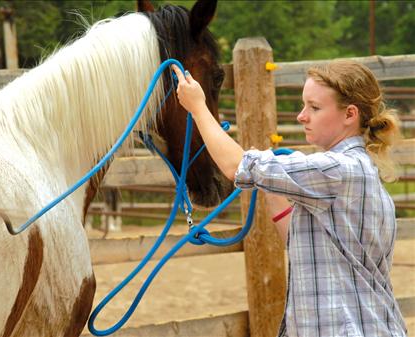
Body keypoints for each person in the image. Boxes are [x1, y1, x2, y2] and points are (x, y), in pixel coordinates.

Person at [172, 60, 407, 337]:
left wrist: (198, 107)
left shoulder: (337, 170)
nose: (301, 116)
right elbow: (302, 243)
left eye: (314, 107)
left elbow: (237, 166)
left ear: (350, 114)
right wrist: (277, 187)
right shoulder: (358, 169)